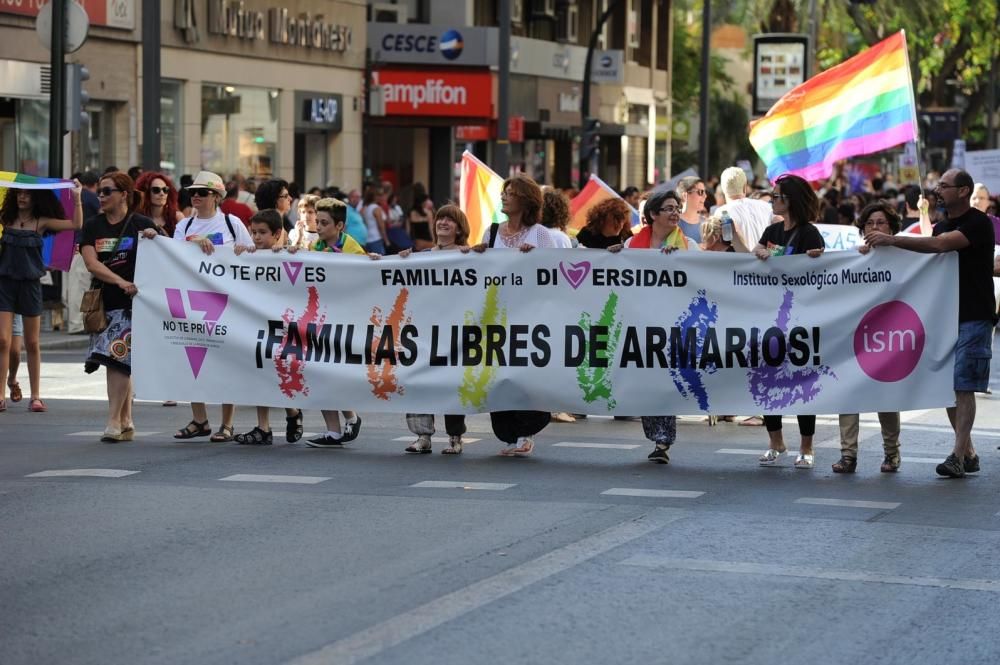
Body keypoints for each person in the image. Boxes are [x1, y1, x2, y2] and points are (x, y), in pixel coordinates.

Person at [865, 169, 994, 478]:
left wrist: (892, 239)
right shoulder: (943, 224)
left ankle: (957, 456)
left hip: (974, 315)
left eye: (945, 186)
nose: (938, 190)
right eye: (938, 185)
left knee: (963, 385)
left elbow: (939, 246)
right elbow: (923, 259)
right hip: (946, 315)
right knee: (951, 386)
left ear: (963, 191)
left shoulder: (977, 223)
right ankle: (969, 452)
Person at [376, 204, 472, 454]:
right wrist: (393, 261)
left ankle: (454, 437)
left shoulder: (468, 256)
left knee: (451, 384)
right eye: (440, 219)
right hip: (423, 332)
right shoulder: (421, 256)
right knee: (418, 380)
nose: (443, 223)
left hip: (453, 333)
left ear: (460, 228)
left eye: (450, 220)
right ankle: (422, 435)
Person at [166, 171, 253, 442]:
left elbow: (253, 255)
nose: (195, 196)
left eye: (202, 192)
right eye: (193, 192)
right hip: (192, 299)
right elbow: (172, 252)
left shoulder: (231, 223)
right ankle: (199, 419)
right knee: (193, 361)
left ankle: (227, 424)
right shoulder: (185, 225)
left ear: (216, 196)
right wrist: (192, 243)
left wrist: (242, 253)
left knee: (226, 362)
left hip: (225, 300)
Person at [471, 173, 553, 455]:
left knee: (524, 374)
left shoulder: (541, 234)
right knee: (498, 375)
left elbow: (554, 275)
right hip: (496, 319)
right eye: (504, 192)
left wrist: (536, 258)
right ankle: (507, 433)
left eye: (511, 192)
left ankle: (527, 429)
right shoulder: (491, 233)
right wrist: (477, 255)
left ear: (526, 200)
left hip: (529, 319)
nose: (504, 197)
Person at [753, 174, 825, 469]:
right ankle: (776, 442)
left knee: (801, 380)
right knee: (768, 377)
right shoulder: (771, 230)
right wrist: (758, 252)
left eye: (777, 196)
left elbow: (821, 270)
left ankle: (807, 448)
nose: (773, 200)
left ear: (790, 200)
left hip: (800, 319)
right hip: (771, 316)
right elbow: (755, 254)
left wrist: (815, 258)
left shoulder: (809, 233)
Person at [80, 172, 157, 442]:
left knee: (117, 358)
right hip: (105, 302)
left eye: (107, 191)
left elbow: (168, 255)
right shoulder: (92, 226)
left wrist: (154, 237)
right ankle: (126, 419)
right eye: (99, 191)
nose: (100, 196)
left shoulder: (142, 224)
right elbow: (92, 263)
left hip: (134, 303)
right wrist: (120, 281)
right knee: (119, 361)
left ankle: (113, 421)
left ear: (124, 194)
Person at [611, 188, 685, 463]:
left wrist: (681, 260)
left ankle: (663, 440)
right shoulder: (632, 245)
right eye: (668, 208)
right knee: (646, 380)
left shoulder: (687, 245)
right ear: (653, 214)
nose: (675, 212)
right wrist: (613, 257)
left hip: (672, 325)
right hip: (639, 323)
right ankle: (657, 434)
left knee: (663, 379)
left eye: (677, 208)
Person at [833, 201, 904, 473]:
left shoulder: (903, 256)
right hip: (855, 338)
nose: (874, 228)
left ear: (892, 228)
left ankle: (892, 454)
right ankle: (848, 455)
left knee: (886, 397)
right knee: (849, 395)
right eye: (869, 223)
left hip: (886, 338)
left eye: (880, 223)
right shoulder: (853, 257)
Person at [0, 182, 83, 413]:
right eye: (19, 193)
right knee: (3, 341)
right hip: (5, 283)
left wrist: (76, 198)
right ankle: (0, 396)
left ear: (35, 198)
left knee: (33, 343)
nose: (22, 197)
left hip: (30, 285)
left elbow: (76, 224)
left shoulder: (41, 222)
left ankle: (36, 396)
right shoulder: (5, 219)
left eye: (27, 194)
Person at [231, 209, 305, 445]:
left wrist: (288, 252)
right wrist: (241, 254)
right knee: (258, 372)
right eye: (253, 233)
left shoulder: (286, 255)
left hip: (282, 328)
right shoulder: (250, 256)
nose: (256, 238)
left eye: (262, 233)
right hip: (256, 325)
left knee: (278, 374)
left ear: (277, 234)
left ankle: (293, 411)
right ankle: (263, 427)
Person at [298, 197, 363, 448]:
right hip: (320, 320)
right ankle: (334, 430)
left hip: (344, 322)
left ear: (339, 226)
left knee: (333, 375)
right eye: (317, 221)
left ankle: (349, 417)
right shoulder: (315, 246)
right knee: (319, 373)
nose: (319, 227)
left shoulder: (353, 250)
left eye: (324, 223)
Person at [715, 166, 776, 254]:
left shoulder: (721, 213)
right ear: (745, 187)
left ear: (723, 189)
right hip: (766, 262)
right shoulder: (767, 206)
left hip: (738, 265)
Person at [135, 172, 184, 238]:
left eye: (165, 189)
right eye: (156, 190)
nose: (162, 193)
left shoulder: (177, 217)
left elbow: (184, 243)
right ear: (146, 193)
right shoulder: (137, 219)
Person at [676, 176, 707, 244]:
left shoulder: (706, 223)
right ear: (685, 196)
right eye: (700, 192)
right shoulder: (674, 223)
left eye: (704, 192)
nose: (705, 196)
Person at [361, 186, 389, 255]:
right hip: (376, 238)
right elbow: (381, 226)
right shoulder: (376, 208)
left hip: (367, 239)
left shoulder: (365, 208)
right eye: (379, 195)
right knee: (380, 262)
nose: (380, 197)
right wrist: (386, 240)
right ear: (374, 197)